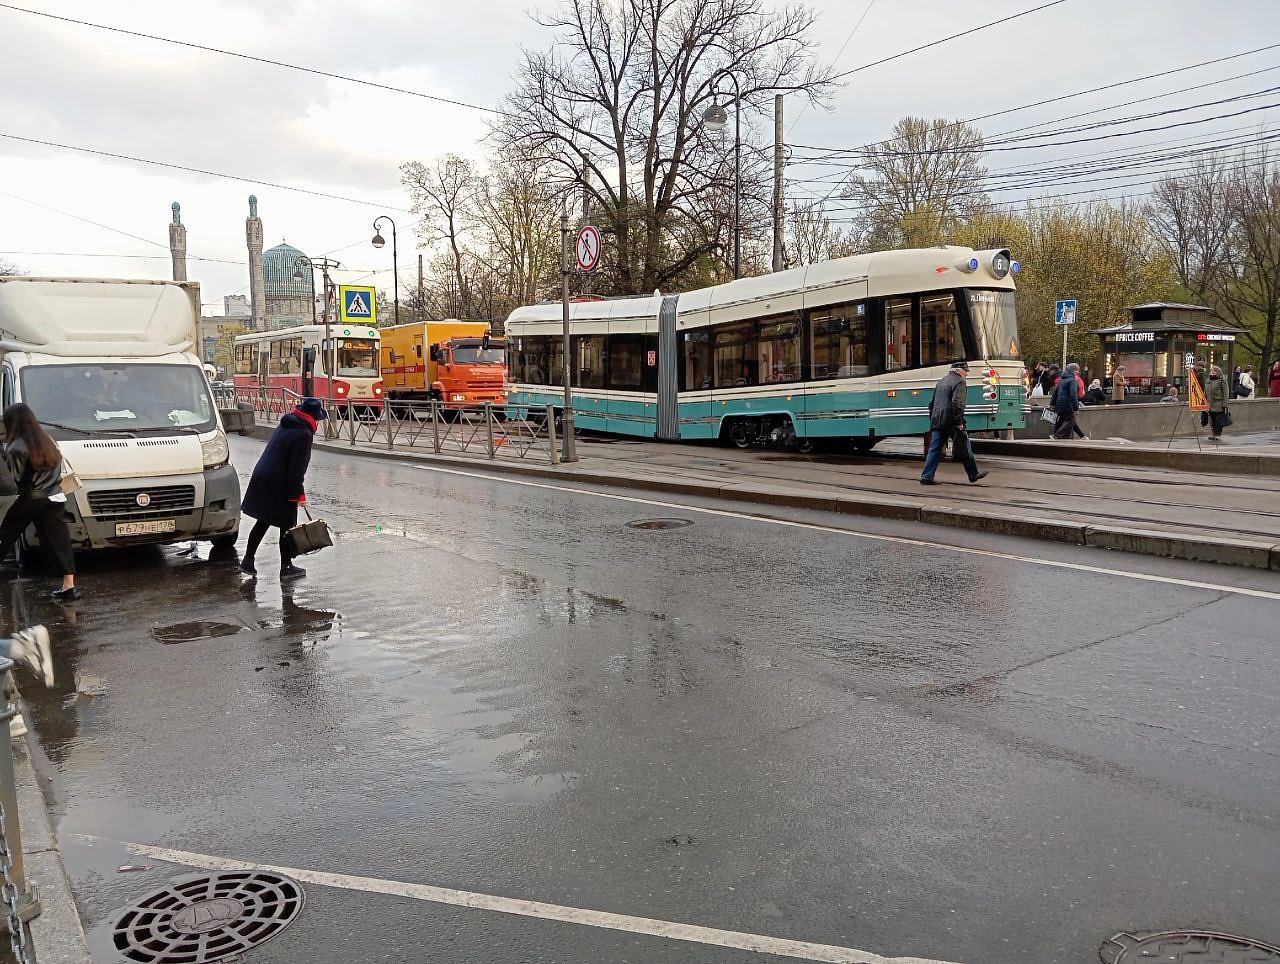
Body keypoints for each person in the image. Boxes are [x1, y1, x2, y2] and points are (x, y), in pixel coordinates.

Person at [240, 397, 326, 579]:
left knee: (263, 520)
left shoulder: (288, 423)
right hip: (280, 482)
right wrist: (298, 493)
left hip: (264, 476)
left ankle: (248, 560)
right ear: (314, 418)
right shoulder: (304, 434)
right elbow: (296, 469)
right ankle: (286, 567)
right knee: (287, 526)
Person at [0, 404, 79, 601]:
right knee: (59, 542)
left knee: (5, 535)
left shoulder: (16, 446)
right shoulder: (47, 441)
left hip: (30, 499)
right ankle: (68, 587)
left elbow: (12, 480)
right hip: (54, 496)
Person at [920, 360, 987, 486]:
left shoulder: (942, 381)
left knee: (934, 449)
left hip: (938, 421)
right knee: (965, 444)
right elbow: (958, 403)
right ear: (957, 370)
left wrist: (933, 418)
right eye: (965, 371)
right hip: (951, 421)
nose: (966, 374)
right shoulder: (960, 381)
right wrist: (959, 421)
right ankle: (973, 474)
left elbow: (931, 404)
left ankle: (926, 476)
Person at [1052, 362, 1083, 440]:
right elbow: (1073, 395)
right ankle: (1056, 435)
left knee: (1064, 420)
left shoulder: (1062, 380)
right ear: (1073, 371)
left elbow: (1055, 393)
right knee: (1070, 420)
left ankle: (1082, 436)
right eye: (1077, 370)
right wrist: (1076, 408)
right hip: (1067, 405)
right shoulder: (1072, 381)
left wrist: (1052, 403)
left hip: (1060, 405)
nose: (1078, 372)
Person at [1207, 365, 1230, 441]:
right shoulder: (1208, 381)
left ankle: (1218, 434)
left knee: (1218, 420)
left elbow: (1226, 393)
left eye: (1213, 371)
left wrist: (1224, 404)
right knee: (1212, 419)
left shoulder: (1222, 381)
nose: (1211, 373)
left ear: (1218, 373)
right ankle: (1214, 433)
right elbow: (1205, 392)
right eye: (1211, 371)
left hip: (1218, 404)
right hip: (1210, 404)